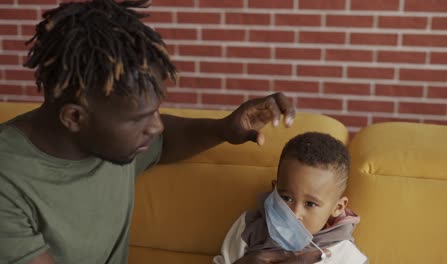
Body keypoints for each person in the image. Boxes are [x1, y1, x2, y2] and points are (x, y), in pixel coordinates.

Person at [0, 0, 324, 263]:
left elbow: (166, 138)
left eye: (156, 109)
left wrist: (224, 128)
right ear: (73, 117)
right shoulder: (8, 181)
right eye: (140, 118)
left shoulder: (107, 139)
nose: (155, 125)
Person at [213, 132, 368, 264]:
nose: (294, 213)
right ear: (274, 190)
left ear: (337, 207)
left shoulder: (345, 253)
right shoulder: (250, 227)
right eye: (286, 198)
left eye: (310, 204)